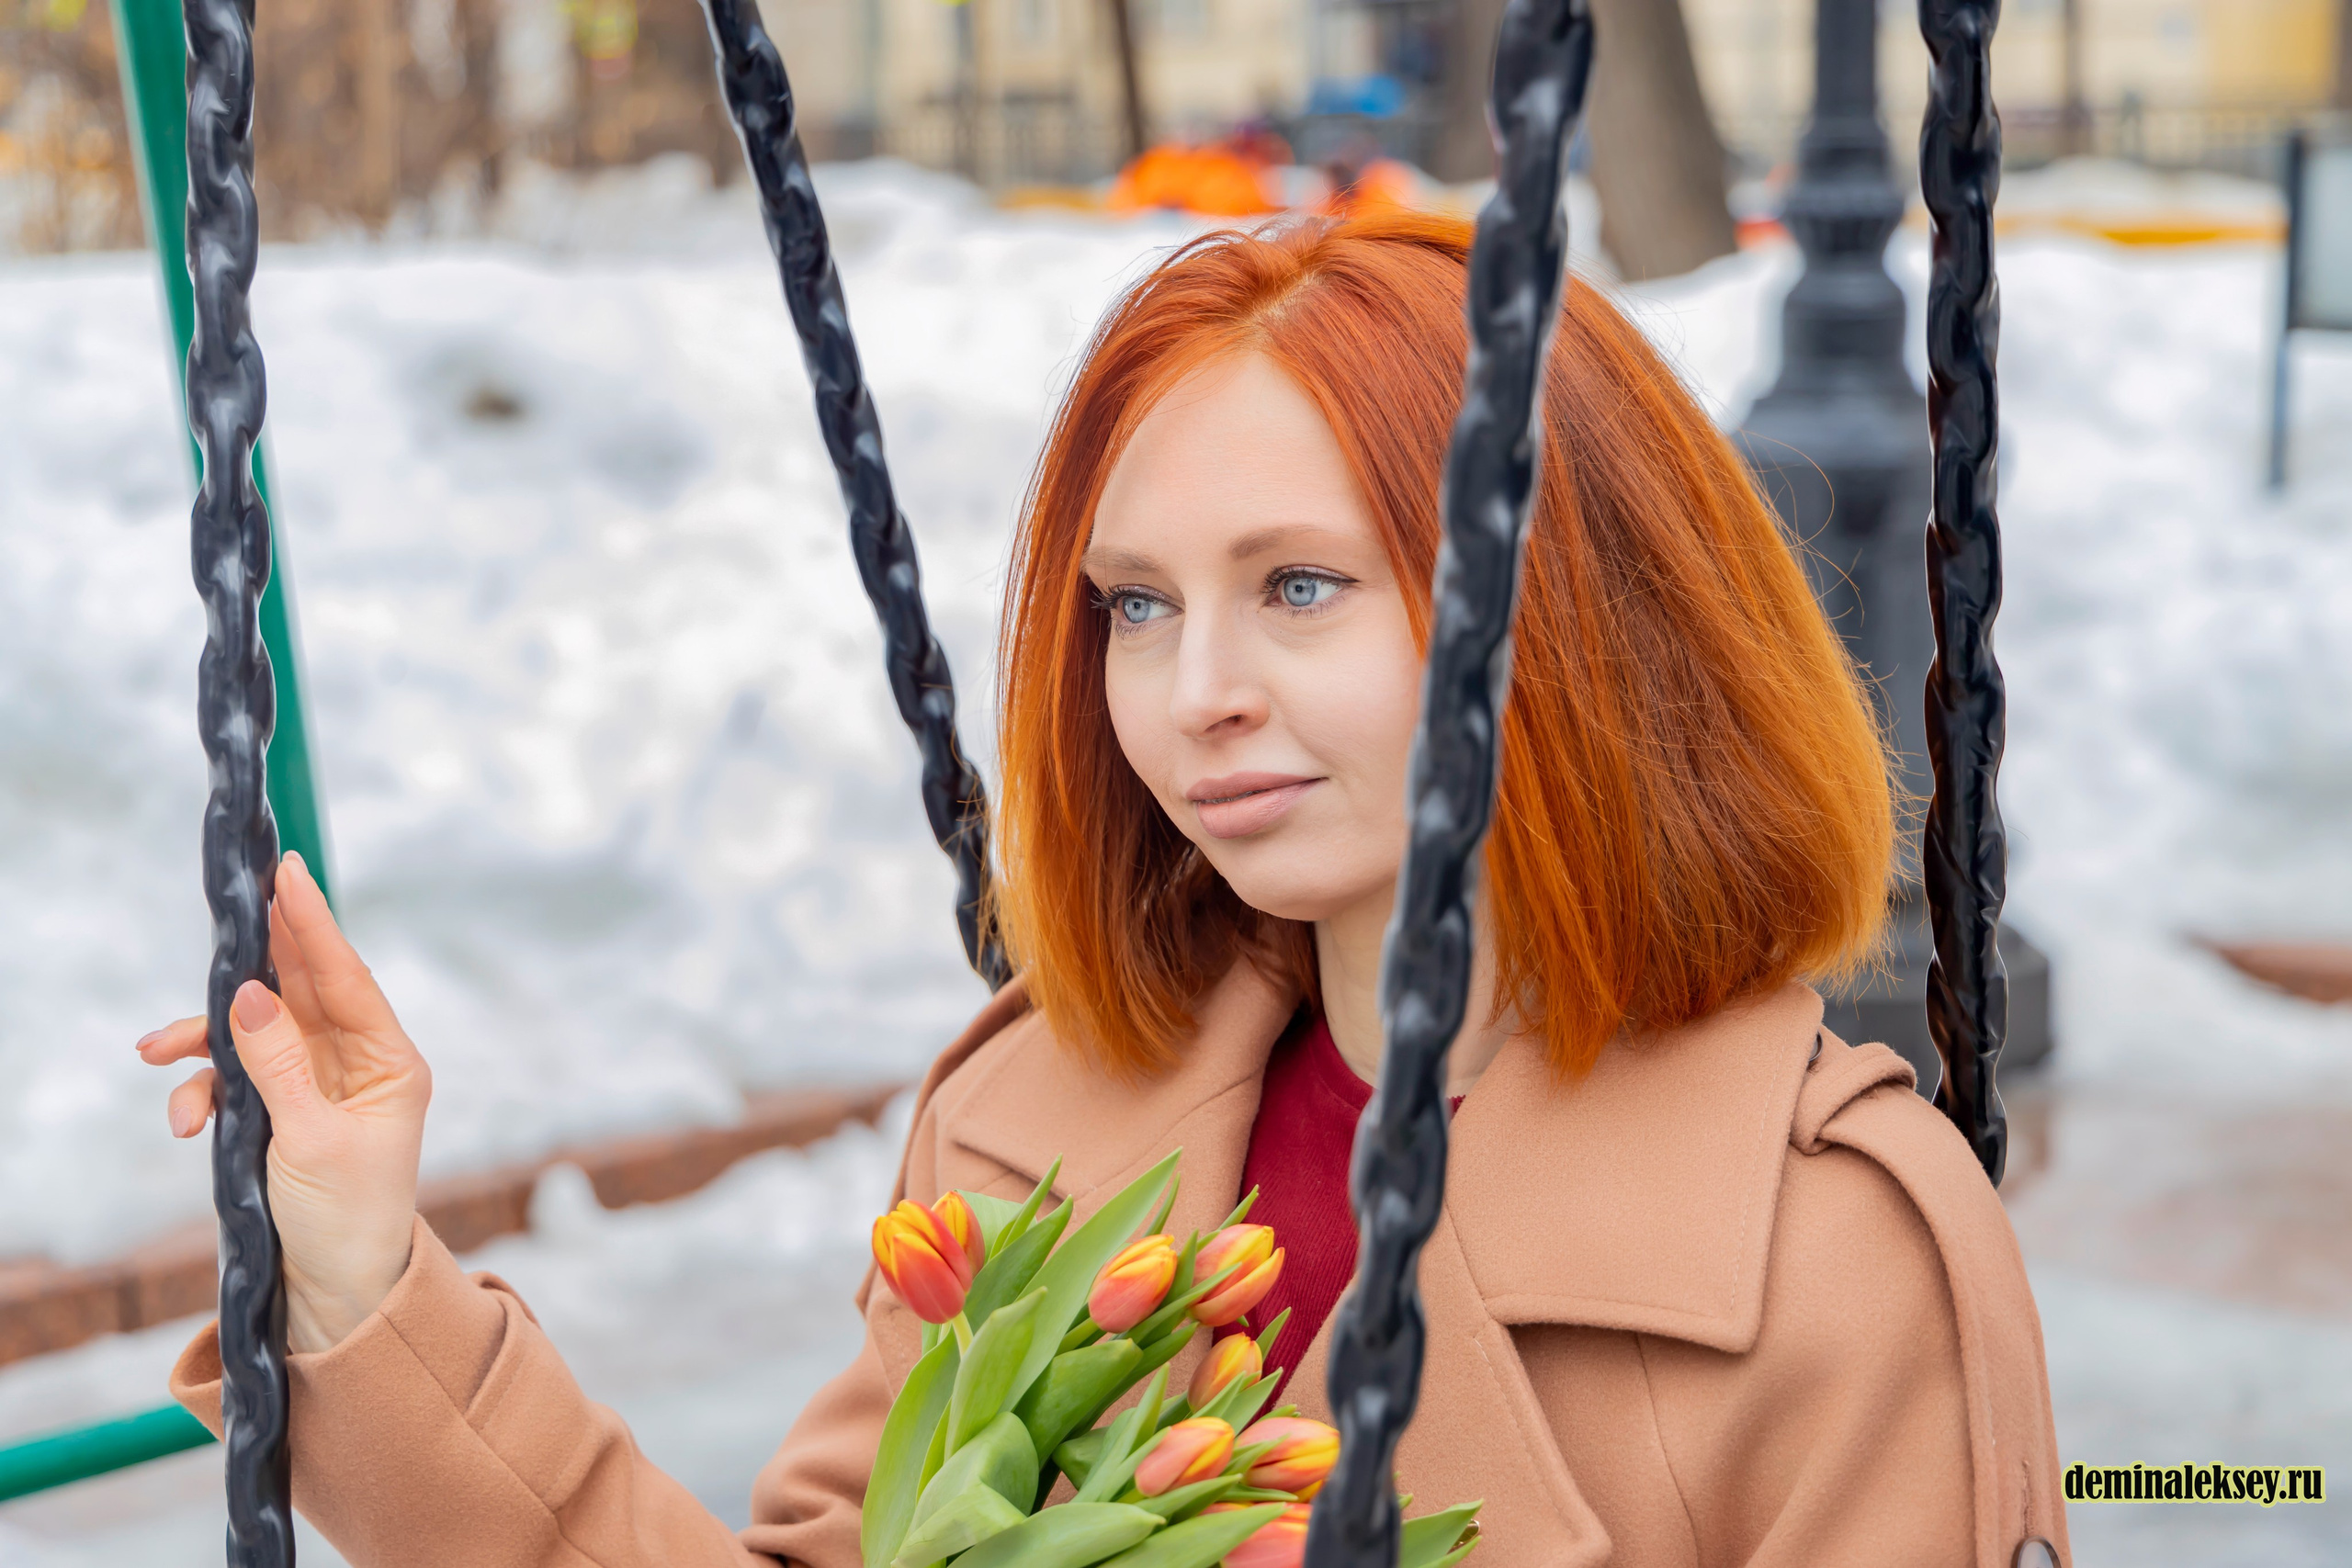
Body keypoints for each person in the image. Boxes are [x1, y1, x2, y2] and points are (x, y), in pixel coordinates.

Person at [141, 212, 2068, 1568]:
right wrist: (364, 1274)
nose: (1190, 689)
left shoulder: (1829, 1259)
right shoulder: (1035, 1126)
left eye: (1297, 585)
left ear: (1562, 614)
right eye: (1135, 606)